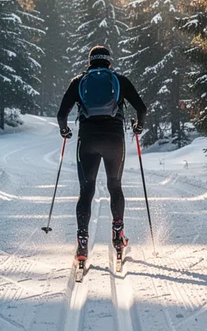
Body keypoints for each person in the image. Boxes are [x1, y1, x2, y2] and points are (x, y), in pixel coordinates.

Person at [56, 45, 148, 265]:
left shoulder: (79, 82)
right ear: (109, 62)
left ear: (90, 62)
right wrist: (138, 127)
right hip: (114, 140)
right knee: (115, 186)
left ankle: (82, 243)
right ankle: (118, 235)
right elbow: (142, 108)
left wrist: (65, 130)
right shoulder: (120, 81)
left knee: (86, 191)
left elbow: (61, 114)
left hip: (87, 141)